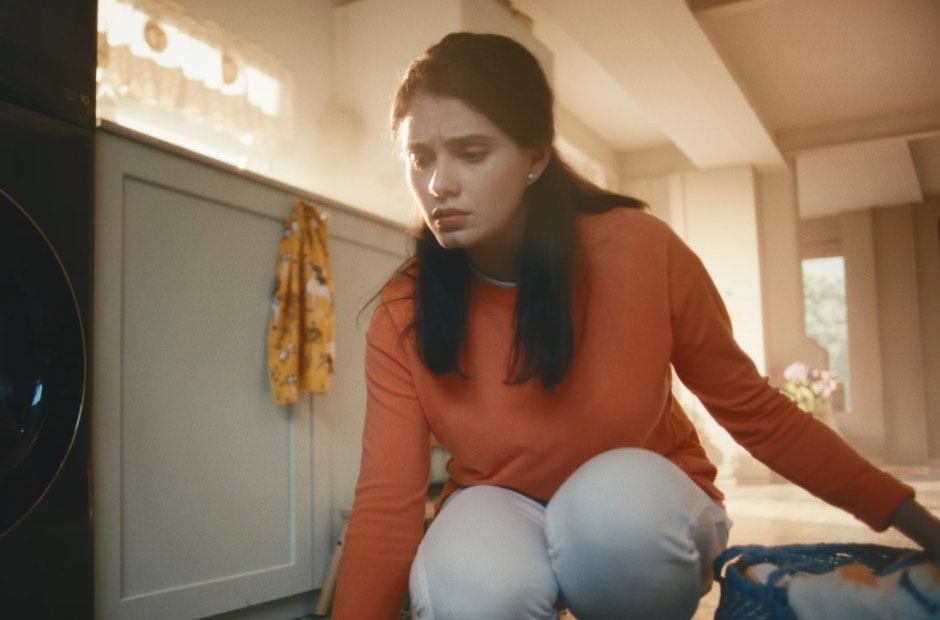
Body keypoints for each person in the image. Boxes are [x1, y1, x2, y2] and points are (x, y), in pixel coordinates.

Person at [330, 32, 940, 619]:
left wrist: (916, 523)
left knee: (613, 518)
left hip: (638, 512)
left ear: (535, 157)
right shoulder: (402, 311)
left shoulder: (641, 251)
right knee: (470, 592)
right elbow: (387, 504)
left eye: (471, 153)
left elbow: (757, 411)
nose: (439, 184)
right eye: (420, 158)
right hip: (500, 507)